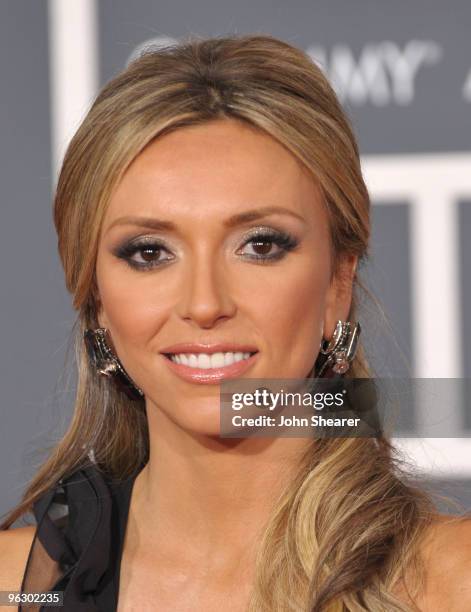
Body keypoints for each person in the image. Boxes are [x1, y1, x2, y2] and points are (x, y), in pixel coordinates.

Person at [1, 33, 470, 612]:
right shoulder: (19, 584)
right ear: (96, 298)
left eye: (260, 245)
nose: (204, 303)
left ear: (336, 283)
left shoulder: (452, 582)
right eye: (150, 252)